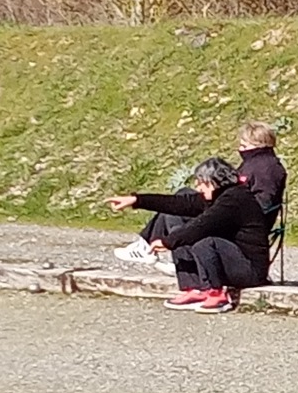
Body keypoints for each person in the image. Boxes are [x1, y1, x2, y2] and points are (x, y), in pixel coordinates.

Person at [107, 156, 272, 312]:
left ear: (213, 183)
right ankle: (193, 288)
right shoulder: (218, 196)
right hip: (232, 262)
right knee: (173, 216)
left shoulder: (234, 200)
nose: (198, 187)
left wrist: (168, 242)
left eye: (201, 183)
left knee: (206, 242)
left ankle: (217, 295)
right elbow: (178, 203)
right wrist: (136, 200)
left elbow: (202, 226)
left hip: (250, 270)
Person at [114, 122, 286, 268]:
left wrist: (223, 208)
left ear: (259, 145)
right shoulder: (255, 163)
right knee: (181, 199)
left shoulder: (266, 169)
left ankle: (178, 260)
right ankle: (148, 245)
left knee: (178, 210)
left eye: (244, 146)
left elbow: (262, 203)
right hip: (230, 211)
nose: (239, 150)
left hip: (238, 222)